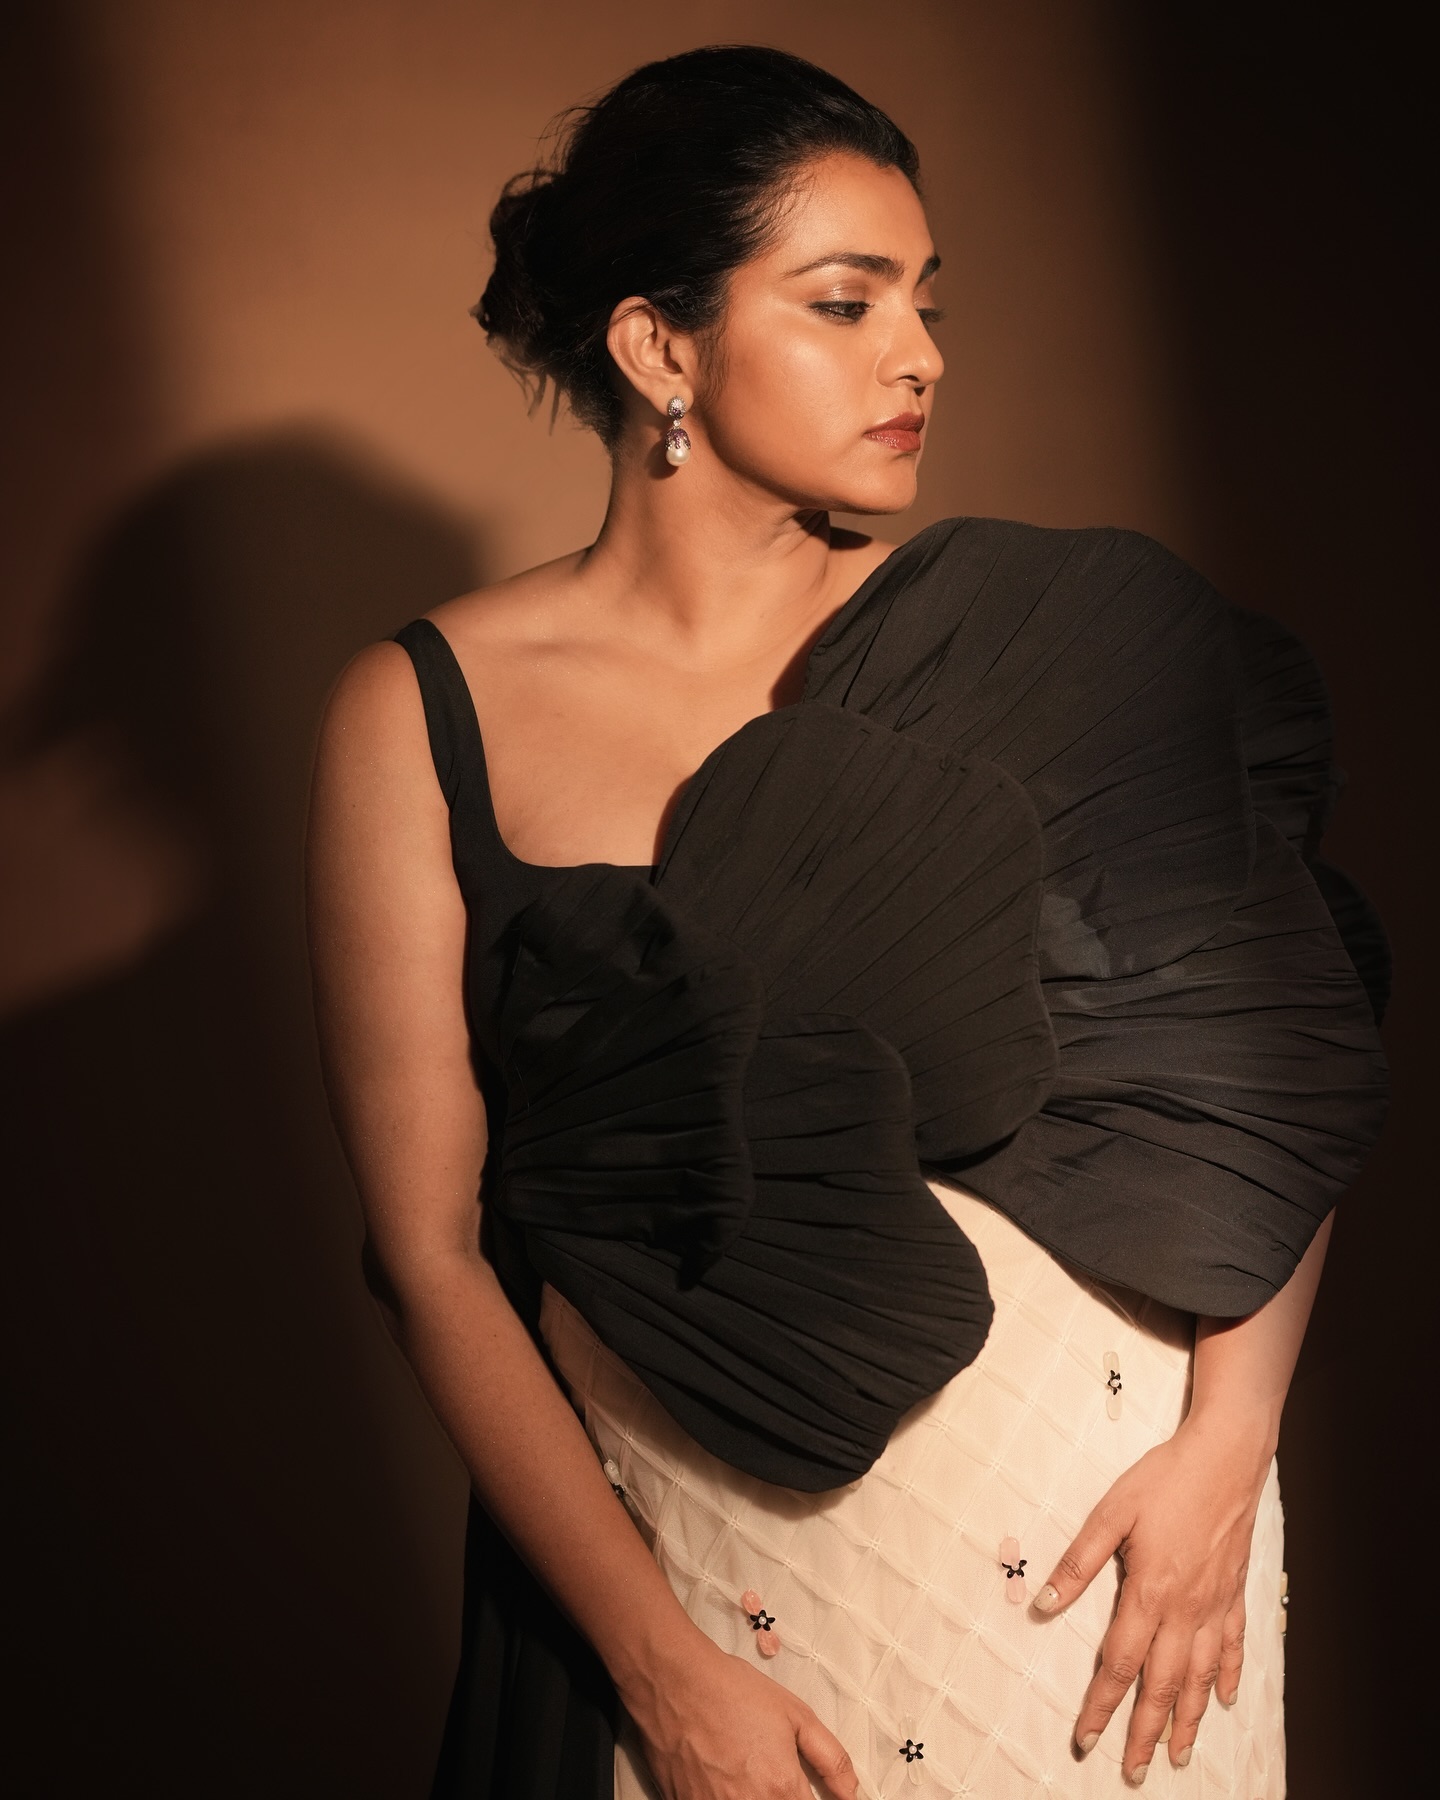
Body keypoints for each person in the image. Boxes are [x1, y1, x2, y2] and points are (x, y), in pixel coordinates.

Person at [306, 46, 1387, 1800]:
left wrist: (1232, 1446)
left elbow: (1268, 1064)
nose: (921, 354)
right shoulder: (421, 710)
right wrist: (660, 1674)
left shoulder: (1017, 642)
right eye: (846, 300)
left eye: (925, 302)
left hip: (1100, 1548)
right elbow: (425, 1251)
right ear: (659, 347)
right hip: (697, 1561)